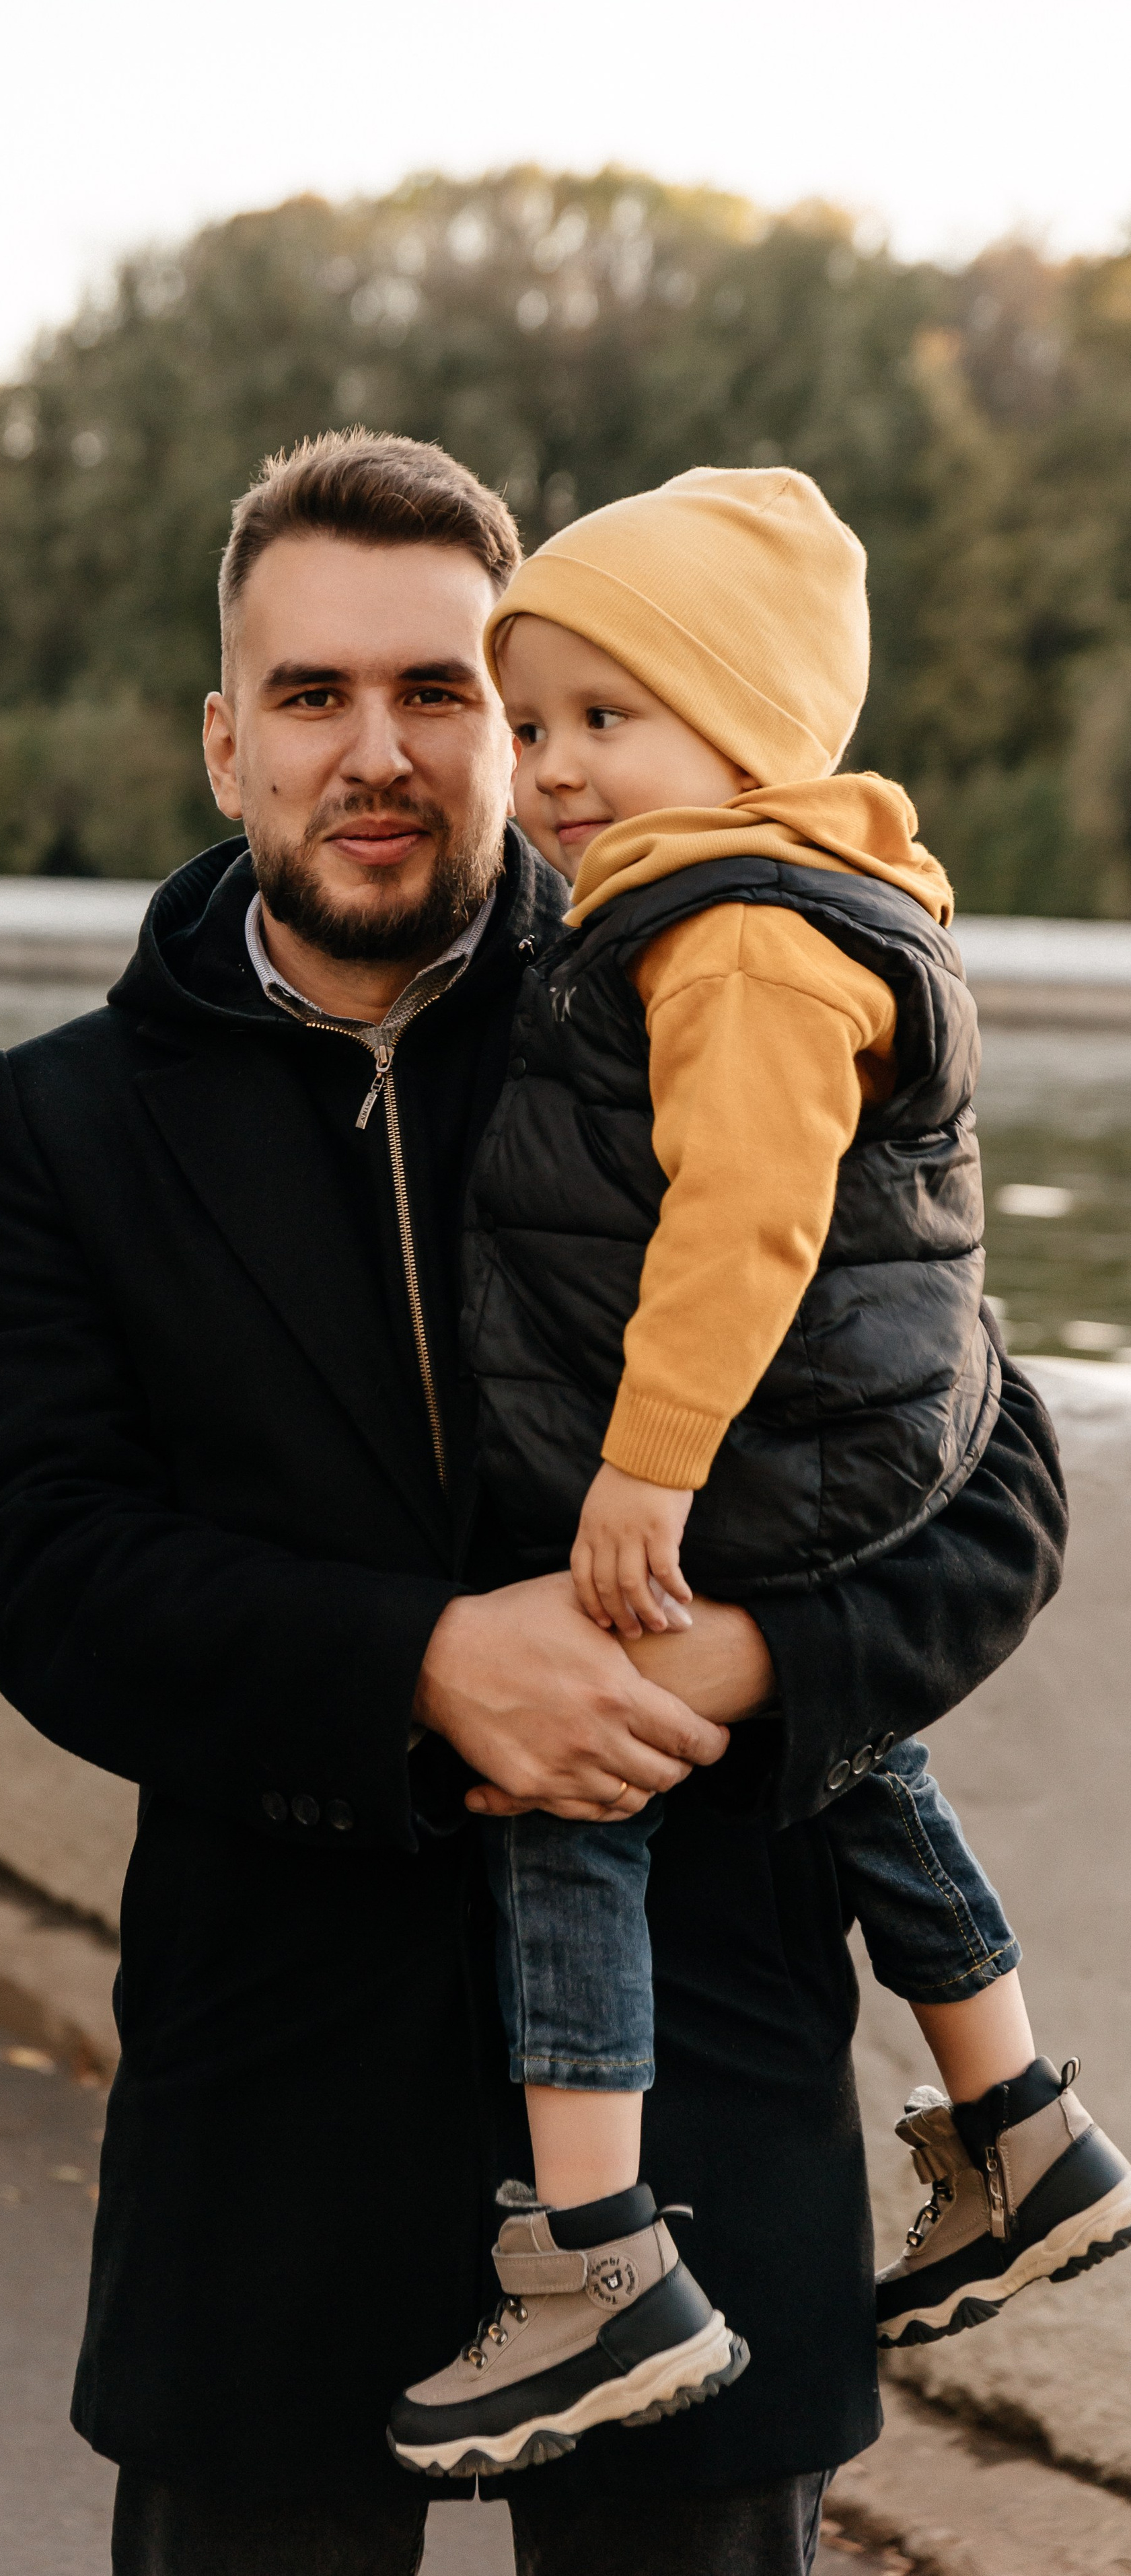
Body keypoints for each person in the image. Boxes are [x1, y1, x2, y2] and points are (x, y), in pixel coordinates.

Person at [0, 431, 1067, 2576]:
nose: (381, 751)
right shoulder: (65, 1129)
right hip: (275, 2117)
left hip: (710, 2113)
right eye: (312, 695)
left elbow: (990, 1479)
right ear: (223, 740)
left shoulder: (711, 1004)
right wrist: (428, 1668)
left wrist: (739, 1660)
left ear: (532, 721)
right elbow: (40, 1563)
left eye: (442, 690)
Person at [387, 469, 1130, 2482]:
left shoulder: (735, 941)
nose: (546, 771)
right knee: (856, 1746)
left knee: (565, 1775)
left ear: (750, 724)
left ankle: (597, 2257)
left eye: (602, 720)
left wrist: (638, 1476)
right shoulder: (755, 903)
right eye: (528, 725)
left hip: (768, 1435)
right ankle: (1018, 2122)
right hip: (854, 1426)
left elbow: (742, 1232)